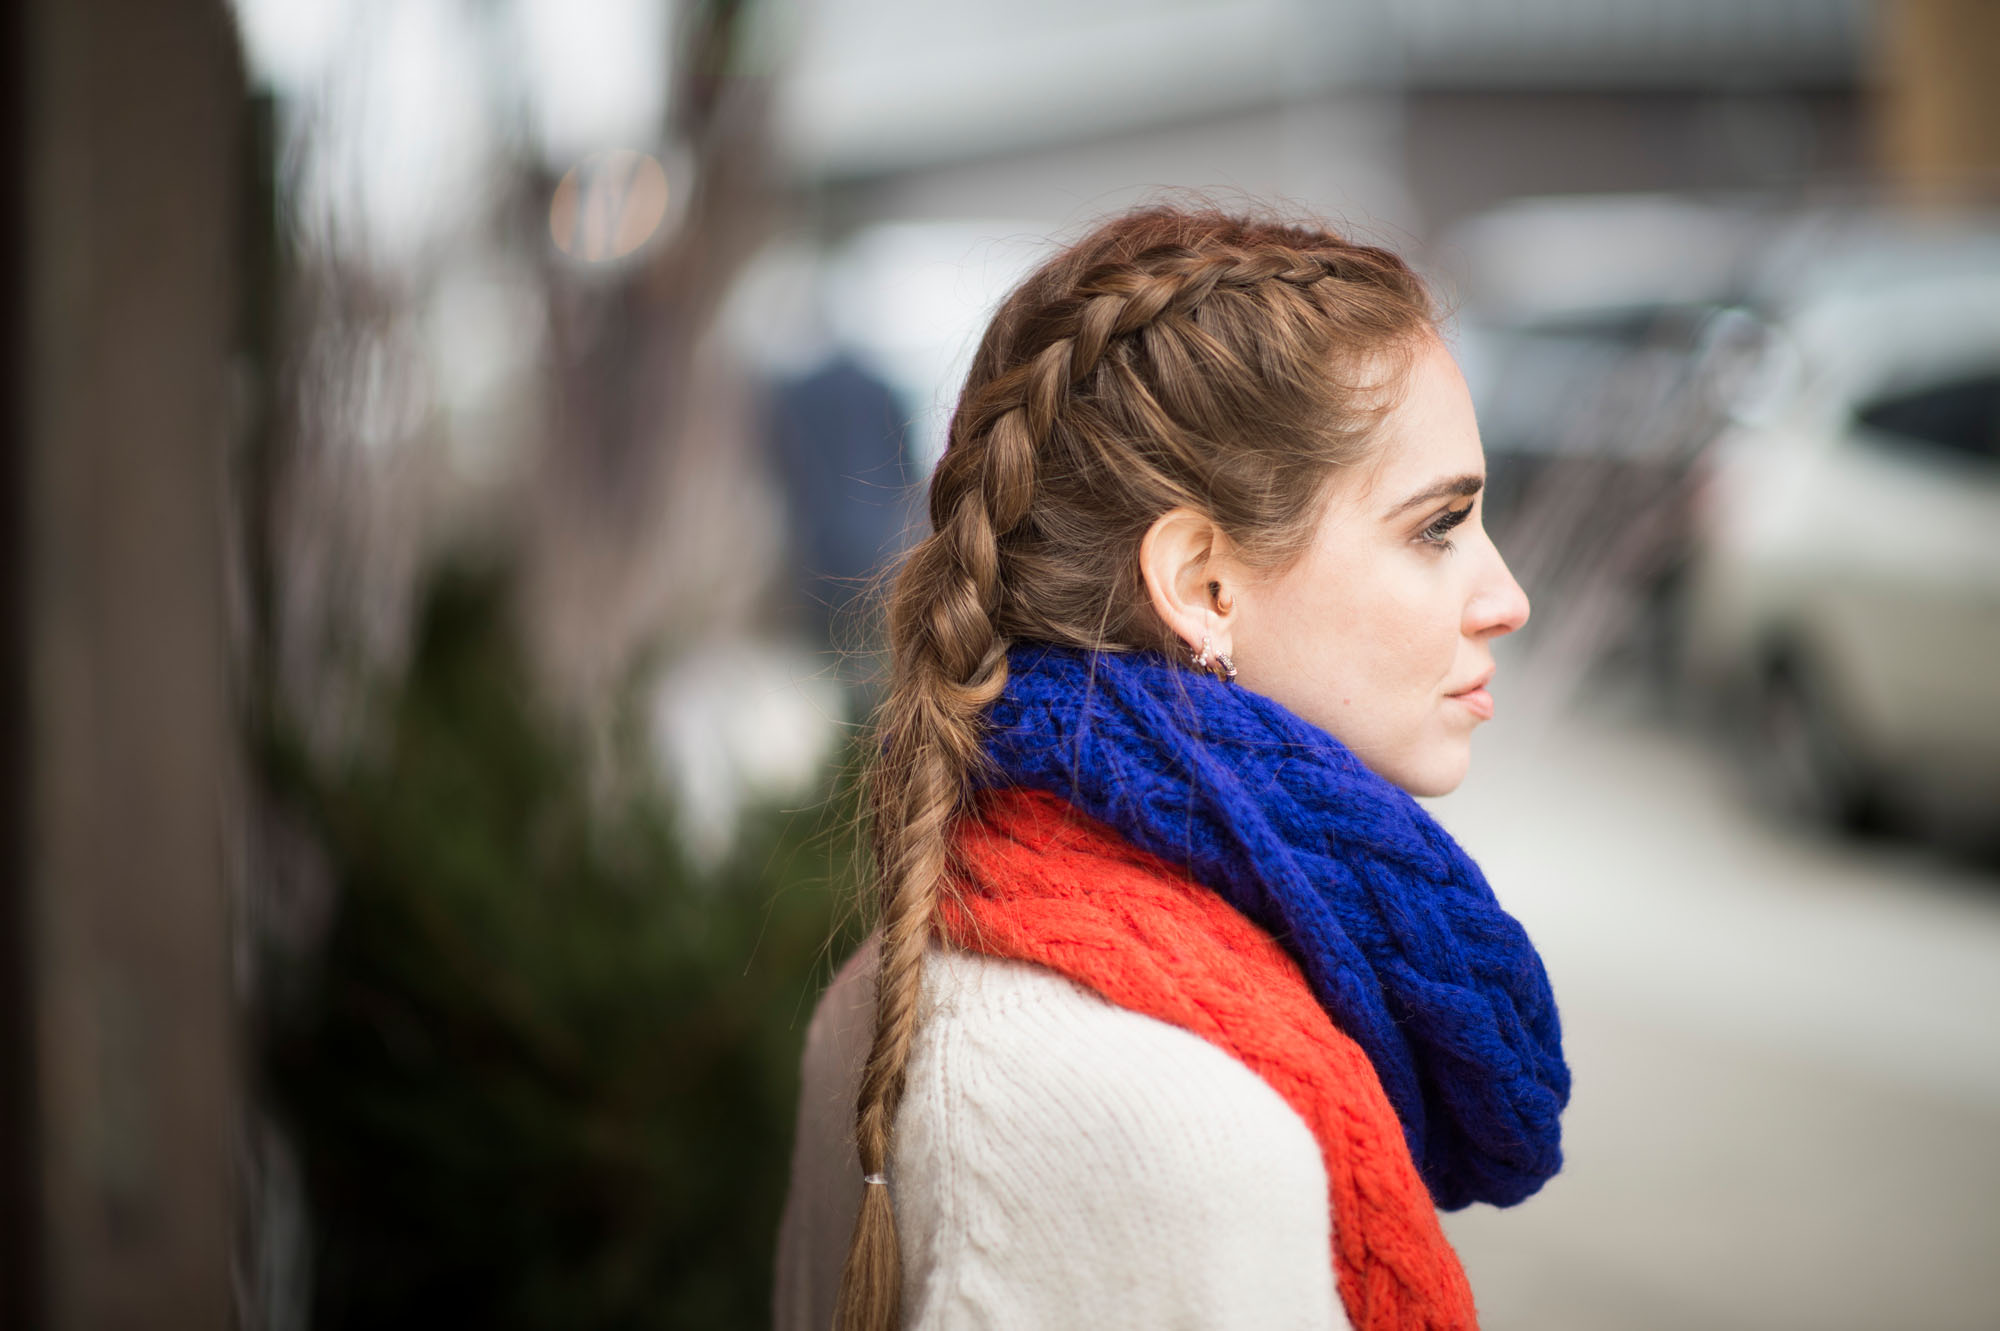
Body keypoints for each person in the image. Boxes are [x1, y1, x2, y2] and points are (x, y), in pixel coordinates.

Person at [774, 204, 1570, 1331]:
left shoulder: (970, 951)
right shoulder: (1152, 1117)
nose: (1505, 599)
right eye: (1435, 527)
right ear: (1202, 583)